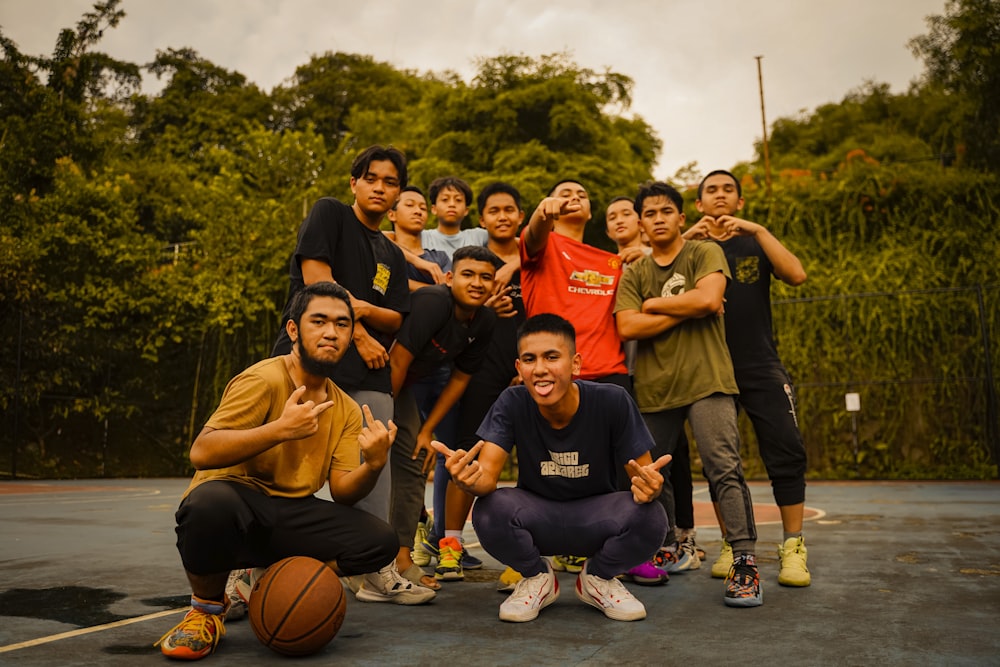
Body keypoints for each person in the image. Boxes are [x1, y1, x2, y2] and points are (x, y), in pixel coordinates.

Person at [155, 282, 433, 661]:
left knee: (380, 540)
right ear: (292, 330)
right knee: (208, 503)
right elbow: (201, 452)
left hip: (290, 510)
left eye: (341, 324)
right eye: (318, 321)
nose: (331, 332)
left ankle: (268, 575)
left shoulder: (347, 408)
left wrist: (374, 464)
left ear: (352, 336)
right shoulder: (263, 380)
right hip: (238, 500)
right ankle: (205, 609)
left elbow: (342, 492)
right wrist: (279, 430)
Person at [433, 314, 670, 623]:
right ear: (519, 368)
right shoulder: (512, 401)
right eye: (529, 359)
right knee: (490, 509)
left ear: (575, 364)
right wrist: (468, 480)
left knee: (651, 517)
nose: (541, 369)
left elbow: (644, 477)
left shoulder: (612, 401)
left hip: (595, 517)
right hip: (537, 516)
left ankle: (597, 578)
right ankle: (536, 577)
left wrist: (650, 488)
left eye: (552, 357)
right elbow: (487, 480)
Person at [615, 180, 762, 608]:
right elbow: (627, 327)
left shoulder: (703, 252)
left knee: (724, 468)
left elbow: (711, 297)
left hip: (708, 380)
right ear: (641, 224)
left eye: (666, 212)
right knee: (648, 475)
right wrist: (690, 304)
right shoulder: (636, 272)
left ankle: (745, 564)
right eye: (650, 214)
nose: (658, 219)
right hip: (655, 389)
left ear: (682, 217)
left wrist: (655, 306)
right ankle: (662, 546)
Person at [271, 145, 410, 526]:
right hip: (308, 359)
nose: (379, 188)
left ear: (398, 193)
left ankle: (372, 568)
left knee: (372, 463)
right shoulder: (329, 213)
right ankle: (257, 564)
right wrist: (361, 334)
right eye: (370, 179)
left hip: (368, 372)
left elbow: (397, 317)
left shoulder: (392, 254)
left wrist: (366, 310)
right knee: (282, 462)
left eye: (390, 182)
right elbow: (318, 281)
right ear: (354, 183)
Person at [686, 169, 810, 587]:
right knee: (719, 461)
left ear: (739, 201)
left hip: (760, 363)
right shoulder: (693, 248)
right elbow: (660, 273)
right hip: (711, 366)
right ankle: (729, 543)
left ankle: (793, 547)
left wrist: (758, 228)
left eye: (728, 190)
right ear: (699, 203)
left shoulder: (755, 240)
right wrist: (688, 236)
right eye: (711, 191)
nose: (720, 196)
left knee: (787, 450)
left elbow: (796, 274)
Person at [415, 182, 527, 587]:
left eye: (510, 209)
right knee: (464, 454)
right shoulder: (472, 262)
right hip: (479, 371)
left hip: (525, 371)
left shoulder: (534, 257)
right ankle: (449, 545)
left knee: (529, 459)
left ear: (521, 217)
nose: (502, 216)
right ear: (481, 221)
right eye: (493, 210)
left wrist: (530, 364)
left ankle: (525, 553)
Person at [520, 180, 631, 575]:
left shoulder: (610, 261)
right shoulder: (543, 244)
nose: (574, 197)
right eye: (565, 192)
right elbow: (532, 237)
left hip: (610, 374)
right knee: (545, 469)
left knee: (616, 475)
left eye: (583, 194)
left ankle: (613, 561)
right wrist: (540, 214)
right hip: (553, 376)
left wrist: (643, 252)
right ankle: (533, 558)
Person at [386, 245, 499, 588]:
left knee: (417, 457)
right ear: (449, 278)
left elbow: (461, 379)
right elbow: (397, 360)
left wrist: (427, 429)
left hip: (415, 381)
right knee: (378, 457)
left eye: (485, 277)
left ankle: (401, 558)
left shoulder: (485, 320)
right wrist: (385, 418)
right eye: (467, 274)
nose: (477, 282)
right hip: (379, 375)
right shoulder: (434, 302)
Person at [606, 196, 701, 579]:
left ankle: (685, 537)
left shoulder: (655, 262)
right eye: (611, 216)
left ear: (641, 221)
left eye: (627, 213)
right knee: (637, 460)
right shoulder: (605, 265)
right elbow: (625, 323)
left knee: (674, 458)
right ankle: (649, 539)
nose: (619, 220)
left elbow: (700, 300)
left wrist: (654, 307)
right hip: (620, 370)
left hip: (663, 371)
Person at [387, 185, 452, 291]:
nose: (418, 211)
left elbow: (449, 290)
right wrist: (417, 261)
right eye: (409, 205)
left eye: (423, 208)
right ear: (391, 215)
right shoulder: (383, 251)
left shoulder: (440, 258)